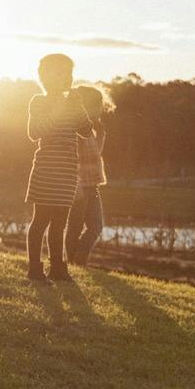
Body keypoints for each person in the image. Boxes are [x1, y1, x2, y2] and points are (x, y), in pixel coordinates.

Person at [23, 54, 92, 283]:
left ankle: (58, 268)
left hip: (67, 171)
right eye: (63, 73)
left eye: (70, 73)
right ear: (46, 76)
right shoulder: (39, 102)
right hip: (46, 169)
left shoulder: (72, 103)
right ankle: (34, 269)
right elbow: (35, 132)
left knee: (60, 224)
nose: (68, 78)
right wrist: (58, 109)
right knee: (40, 221)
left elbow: (86, 130)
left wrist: (77, 106)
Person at [65, 85, 111, 266]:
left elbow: (94, 155)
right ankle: (73, 263)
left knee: (95, 226)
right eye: (97, 105)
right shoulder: (75, 130)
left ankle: (77, 261)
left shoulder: (90, 130)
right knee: (75, 227)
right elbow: (72, 159)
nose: (101, 109)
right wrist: (77, 186)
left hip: (92, 185)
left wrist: (101, 135)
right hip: (79, 187)